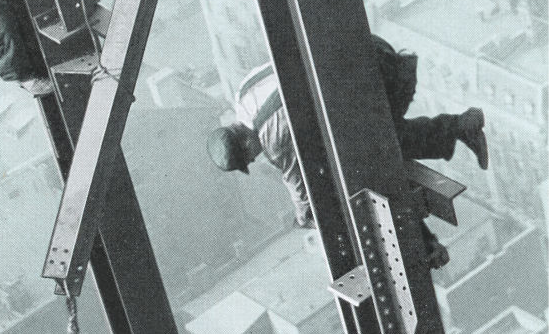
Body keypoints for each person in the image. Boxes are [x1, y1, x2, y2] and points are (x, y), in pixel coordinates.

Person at [207, 36, 489, 268]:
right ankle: (462, 127)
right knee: (376, 143)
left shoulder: (274, 140)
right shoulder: (244, 91)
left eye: (249, 157)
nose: (255, 159)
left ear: (244, 145)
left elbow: (304, 197)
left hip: (376, 78)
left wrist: (302, 220)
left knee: (371, 161)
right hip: (373, 53)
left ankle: (424, 242)